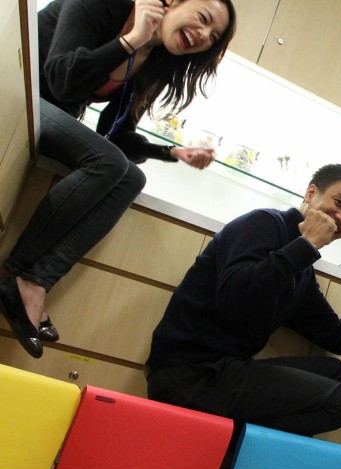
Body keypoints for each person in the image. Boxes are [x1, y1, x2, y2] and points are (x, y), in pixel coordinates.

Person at [0, 0, 236, 359]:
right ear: (171, 2)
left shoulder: (155, 59)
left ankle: (37, 280)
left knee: (131, 179)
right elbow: (61, 79)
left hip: (51, 115)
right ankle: (15, 275)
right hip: (19, 94)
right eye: (203, 19)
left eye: (213, 36)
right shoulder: (101, 5)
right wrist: (130, 40)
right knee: (110, 165)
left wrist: (171, 153)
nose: (203, 35)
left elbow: (118, 135)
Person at [146, 163, 341, 439]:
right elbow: (234, 299)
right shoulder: (264, 223)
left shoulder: (302, 269)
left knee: (334, 372)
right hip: (189, 372)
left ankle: (233, 443)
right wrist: (306, 246)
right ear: (311, 193)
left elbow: (335, 338)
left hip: (226, 369)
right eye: (339, 203)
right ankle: (231, 446)